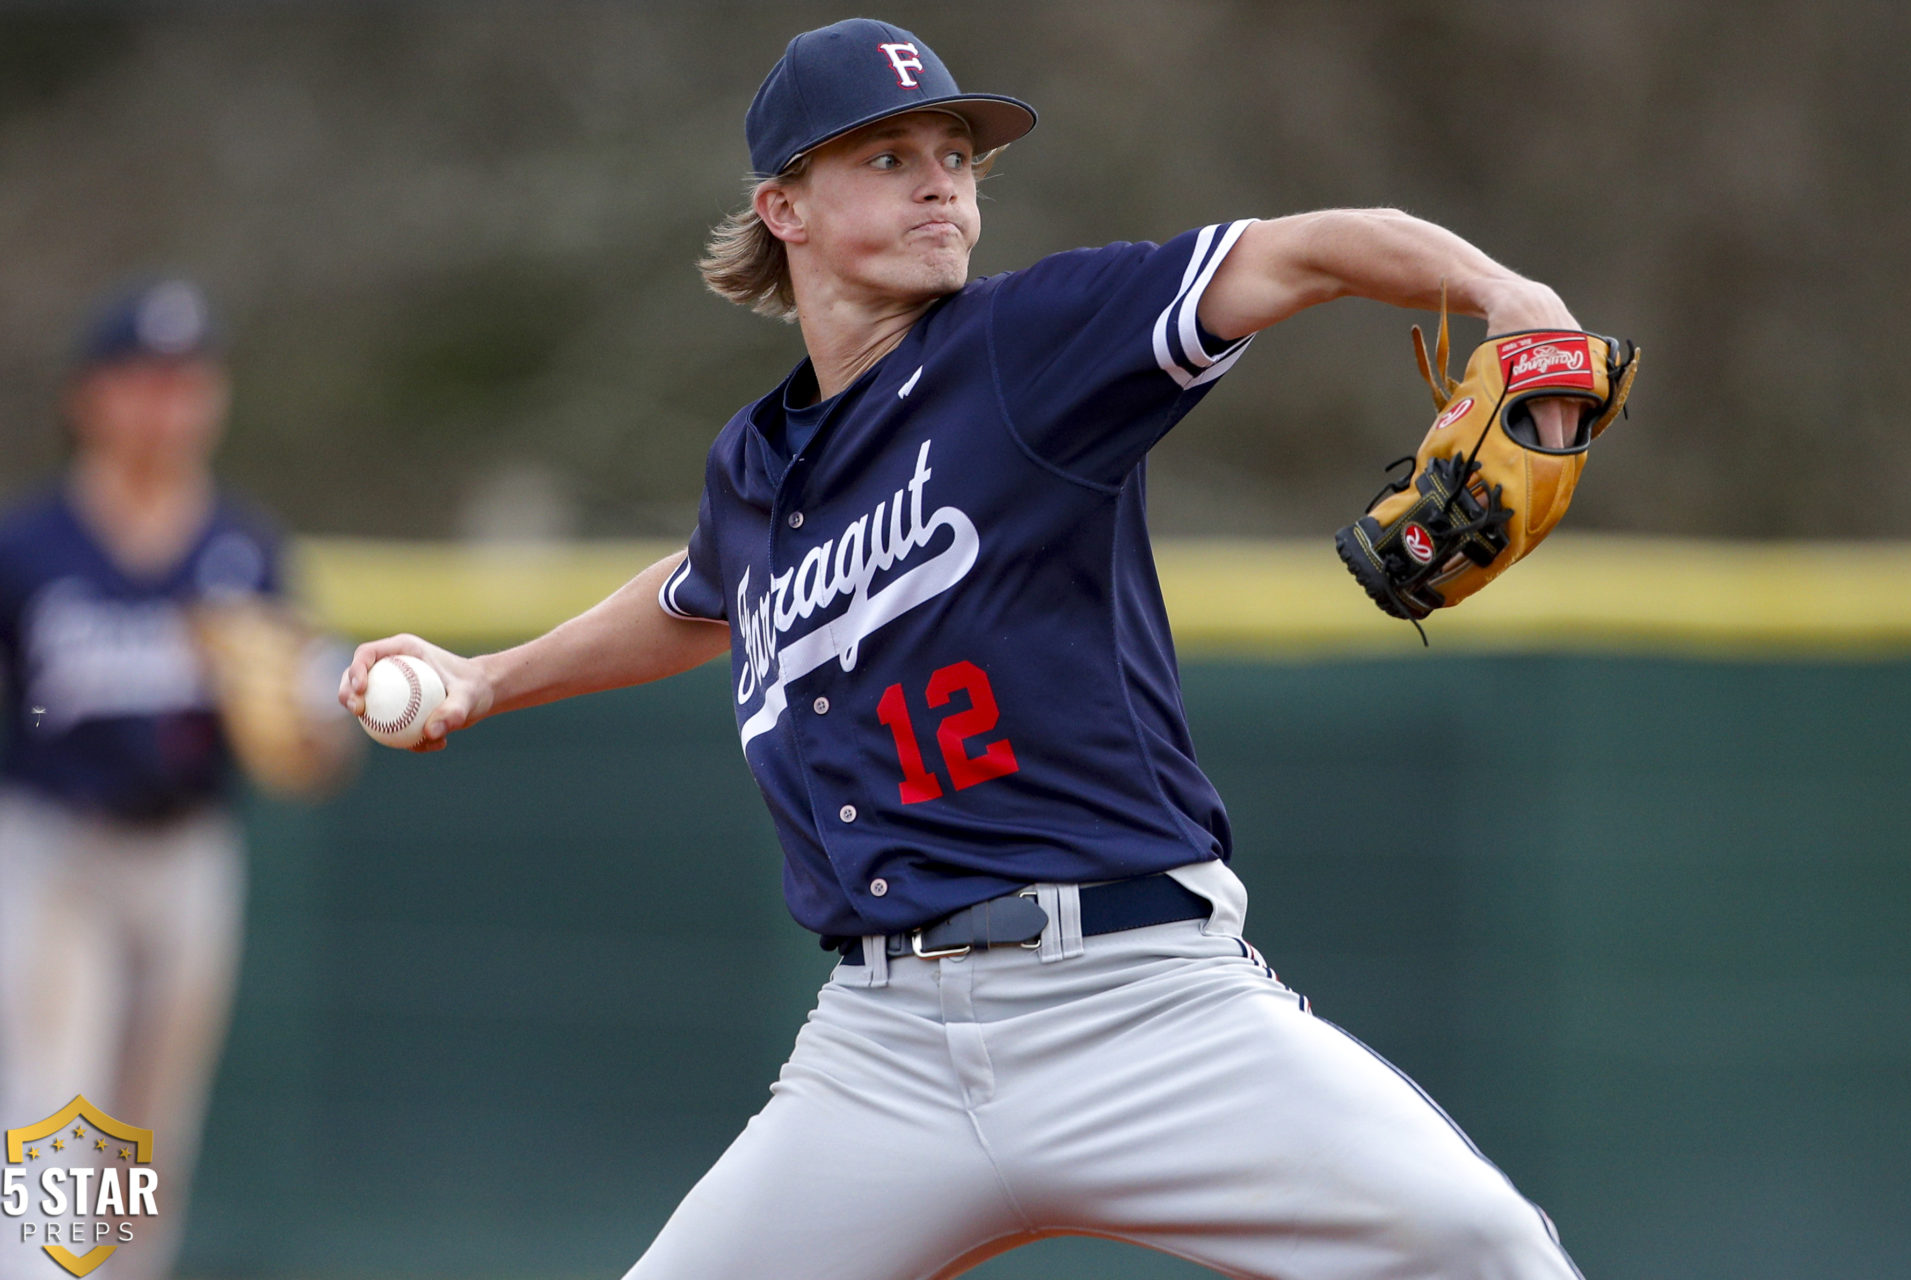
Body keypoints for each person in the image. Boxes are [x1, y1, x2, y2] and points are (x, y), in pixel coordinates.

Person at [340, 19, 1594, 1279]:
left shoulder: (1032, 344)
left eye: (955, 152)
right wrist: (487, 676)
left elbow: (1303, 252)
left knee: (1479, 1247)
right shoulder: (754, 464)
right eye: (887, 156)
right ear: (784, 206)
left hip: (1138, 1000)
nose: (940, 178)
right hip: (881, 1051)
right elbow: (696, 595)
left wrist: (1510, 297)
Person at [0, 280, 352, 1280]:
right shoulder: (26, 548)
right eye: (144, 382)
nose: (169, 404)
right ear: (90, 398)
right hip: (51, 849)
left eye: (188, 382)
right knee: (57, 1108)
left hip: (188, 855)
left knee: (147, 1124)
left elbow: (312, 755)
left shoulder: (245, 551)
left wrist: (302, 723)